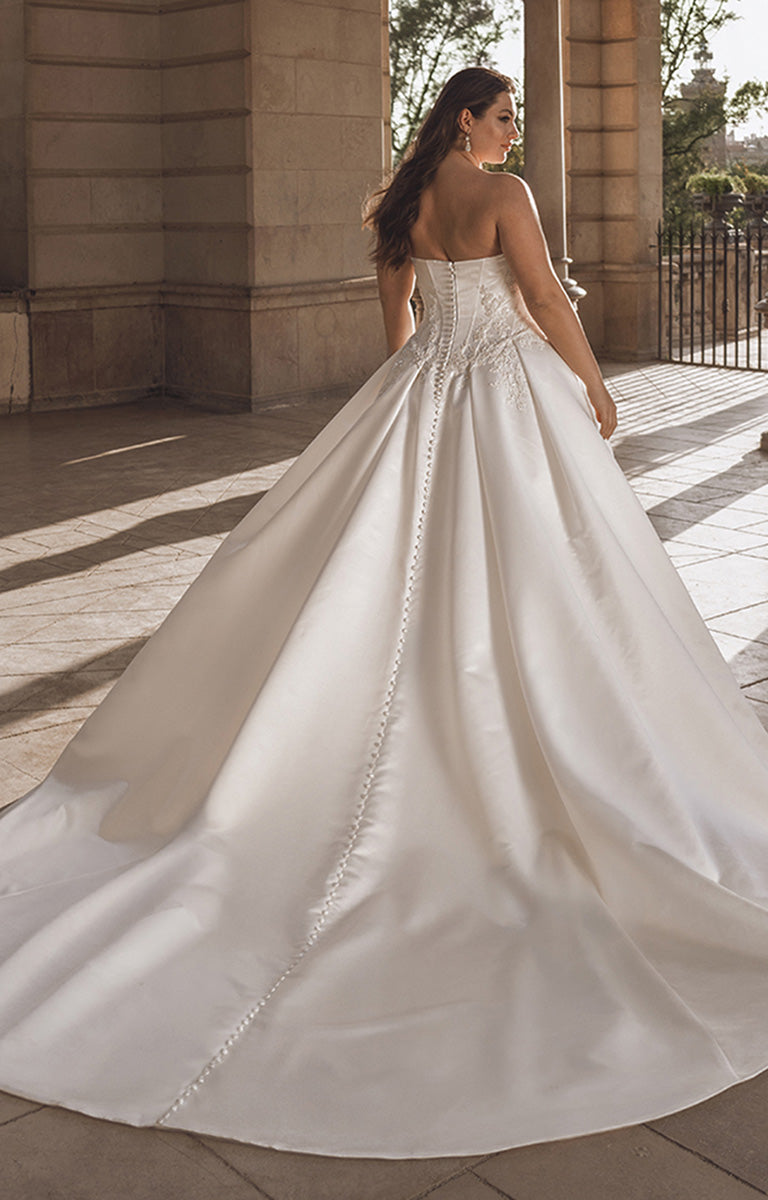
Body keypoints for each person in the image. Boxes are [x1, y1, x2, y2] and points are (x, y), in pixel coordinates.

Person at [2, 65, 768, 1161]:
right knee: (543, 575)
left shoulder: (406, 201)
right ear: (466, 118)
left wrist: (420, 391)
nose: (513, 130)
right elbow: (546, 301)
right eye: (503, 115)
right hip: (506, 393)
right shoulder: (506, 196)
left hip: (425, 393)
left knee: (391, 567)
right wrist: (595, 385)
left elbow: (398, 323)